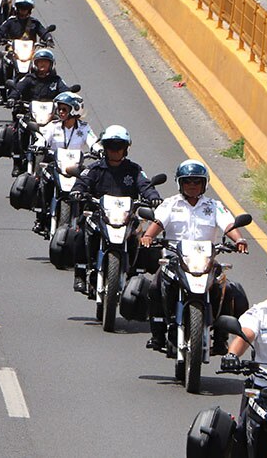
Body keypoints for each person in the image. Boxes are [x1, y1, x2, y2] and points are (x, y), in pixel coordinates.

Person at [139, 160, 249, 353]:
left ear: (204, 184)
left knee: (227, 289)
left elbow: (229, 225)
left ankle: (221, 338)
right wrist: (148, 236)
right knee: (155, 285)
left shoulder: (214, 206)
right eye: (187, 181)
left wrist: (239, 240)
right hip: (175, 260)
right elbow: (157, 222)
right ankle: (157, 335)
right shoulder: (170, 204)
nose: (192, 185)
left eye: (196, 181)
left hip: (206, 261)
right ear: (180, 183)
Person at [71, 126, 162, 295]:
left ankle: (135, 270)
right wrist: (78, 191)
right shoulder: (94, 169)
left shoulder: (134, 170)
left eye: (119, 146)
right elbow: (82, 182)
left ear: (126, 148)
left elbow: (145, 185)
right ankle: (80, 272)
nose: (115, 150)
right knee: (80, 231)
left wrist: (153, 197)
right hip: (99, 215)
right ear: (105, 148)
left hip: (127, 217)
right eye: (111, 146)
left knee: (141, 237)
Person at [32, 92, 97, 233]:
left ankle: (83, 222)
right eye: (59, 109)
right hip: (55, 164)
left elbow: (93, 141)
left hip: (76, 166)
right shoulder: (53, 126)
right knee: (43, 182)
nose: (60, 112)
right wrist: (40, 144)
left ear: (74, 110)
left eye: (64, 109)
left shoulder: (84, 128)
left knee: (89, 187)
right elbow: (43, 138)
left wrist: (99, 150)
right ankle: (40, 217)